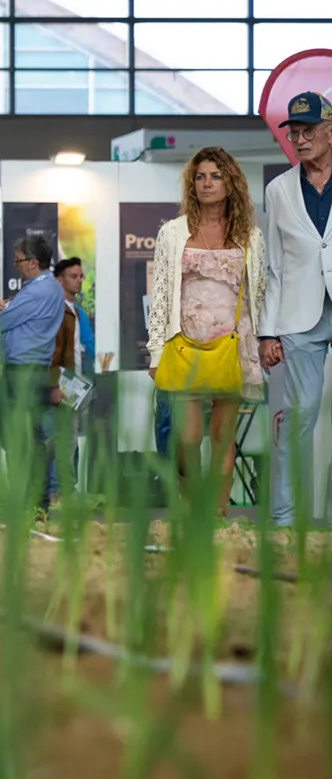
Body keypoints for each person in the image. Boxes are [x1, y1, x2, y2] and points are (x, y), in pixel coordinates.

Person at [147, 147, 265, 517]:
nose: (207, 183)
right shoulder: (172, 233)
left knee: (222, 435)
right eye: (200, 176)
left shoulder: (250, 235)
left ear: (230, 182)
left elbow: (258, 294)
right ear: (192, 183)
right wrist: (155, 351)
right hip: (185, 342)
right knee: (187, 436)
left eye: (215, 175)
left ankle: (216, 513)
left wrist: (260, 344)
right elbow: (162, 294)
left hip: (233, 341)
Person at [259, 91, 332, 527]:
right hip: (299, 316)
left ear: (330, 131)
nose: (300, 140)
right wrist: (268, 332)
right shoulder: (279, 190)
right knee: (298, 418)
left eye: (308, 131)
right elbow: (274, 266)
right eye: (295, 133)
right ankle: (285, 520)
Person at [0, 234, 66, 509]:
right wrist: (8, 307)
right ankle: (31, 499)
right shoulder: (40, 288)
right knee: (24, 435)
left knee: (25, 436)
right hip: (27, 370)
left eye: (19, 260)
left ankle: (32, 500)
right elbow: (10, 315)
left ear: (34, 262)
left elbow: (0, 322)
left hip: (23, 372)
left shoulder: (39, 290)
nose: (16, 265)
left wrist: (4, 310)